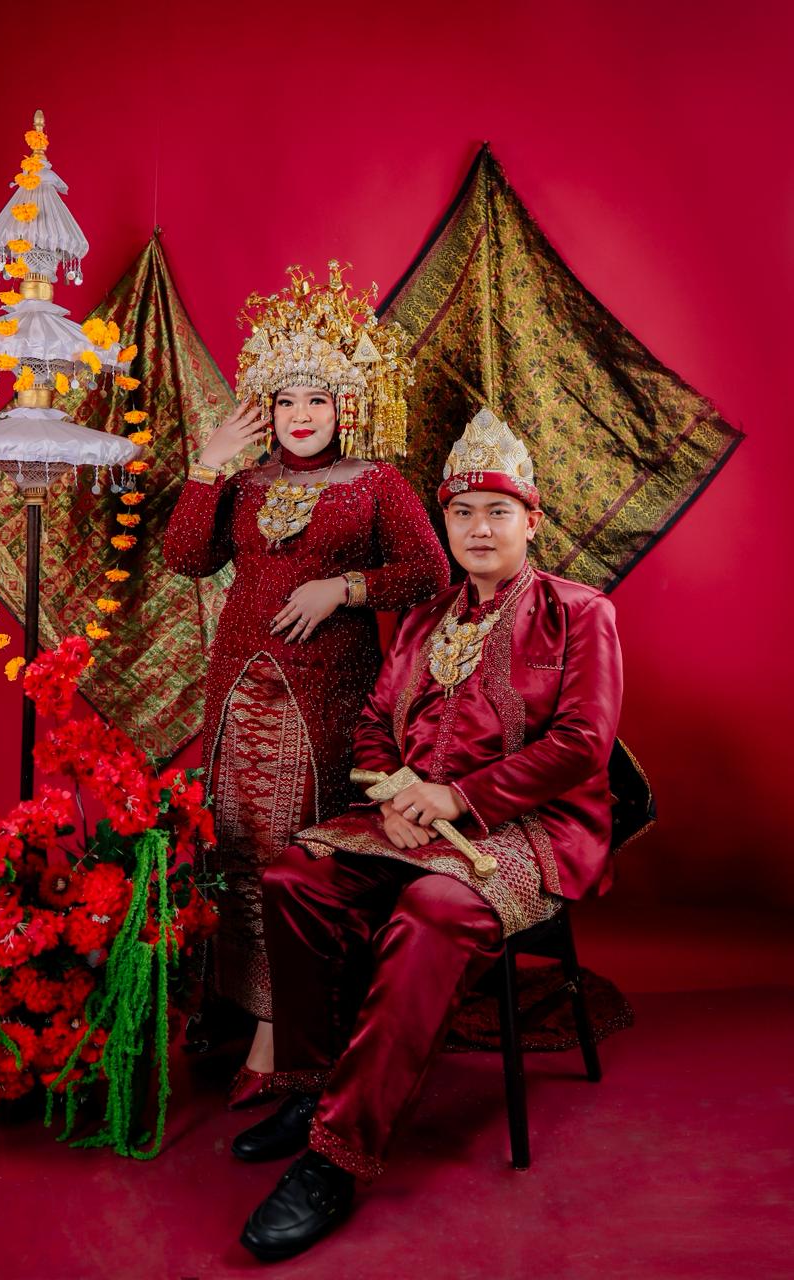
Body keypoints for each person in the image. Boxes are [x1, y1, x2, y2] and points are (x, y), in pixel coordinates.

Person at [233, 405, 624, 1261]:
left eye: (498, 512)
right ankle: (311, 1086)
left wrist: (458, 798)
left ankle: (337, 1156)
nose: (479, 529)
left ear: (532, 522)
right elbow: (377, 723)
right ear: (445, 524)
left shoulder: (579, 612)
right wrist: (394, 795)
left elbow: (583, 744)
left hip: (530, 830)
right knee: (295, 878)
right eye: (463, 513)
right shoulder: (421, 619)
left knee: (432, 913)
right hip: (411, 818)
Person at [163, 262, 449, 1104]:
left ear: (344, 405)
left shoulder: (377, 483)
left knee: (296, 847)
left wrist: (344, 589)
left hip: (324, 688)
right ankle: (234, 1004)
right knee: (234, 841)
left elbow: (429, 572)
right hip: (238, 687)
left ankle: (285, 1028)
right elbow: (186, 558)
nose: (299, 416)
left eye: (316, 400)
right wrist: (211, 464)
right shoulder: (247, 483)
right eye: (285, 401)